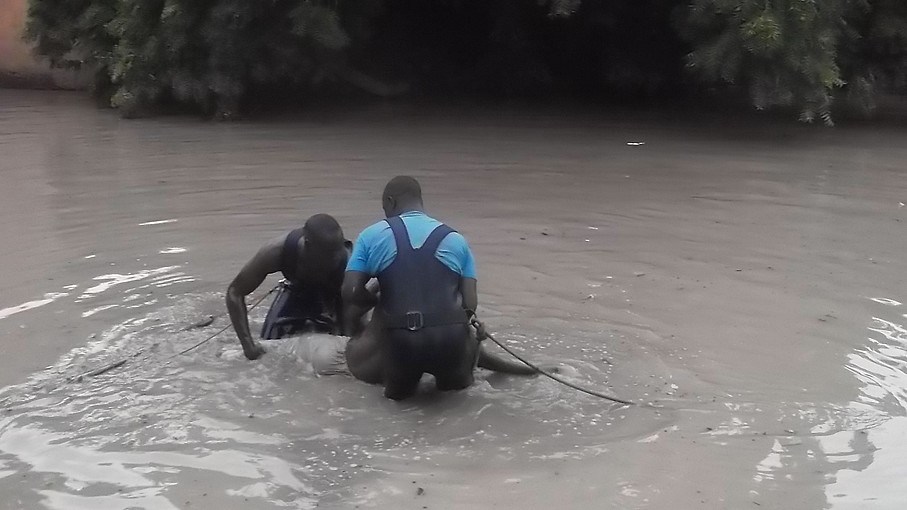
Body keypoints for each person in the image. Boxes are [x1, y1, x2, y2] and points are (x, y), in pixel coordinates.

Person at [342, 176, 527, 400]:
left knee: (400, 407)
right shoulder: (456, 239)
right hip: (451, 341)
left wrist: (377, 302)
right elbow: (470, 304)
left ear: (390, 202)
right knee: (455, 405)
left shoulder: (371, 235)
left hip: (403, 342)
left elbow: (350, 292)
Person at [226, 214, 351, 361]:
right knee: (270, 342)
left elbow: (354, 308)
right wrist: (248, 347)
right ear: (307, 244)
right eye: (328, 256)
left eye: (337, 253)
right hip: (297, 289)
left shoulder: (348, 262)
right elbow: (235, 292)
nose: (335, 259)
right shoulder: (276, 252)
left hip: (335, 294)